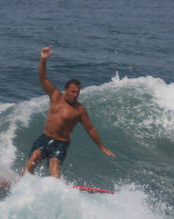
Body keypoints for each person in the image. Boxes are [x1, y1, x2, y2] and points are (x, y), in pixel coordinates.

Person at [23, 46, 115, 178]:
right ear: (66, 90)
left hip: (61, 143)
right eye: (73, 92)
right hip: (45, 137)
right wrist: (43, 59)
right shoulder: (55, 96)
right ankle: (24, 183)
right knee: (33, 159)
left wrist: (102, 147)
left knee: (54, 165)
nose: (76, 94)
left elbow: (90, 129)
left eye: (78, 92)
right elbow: (43, 78)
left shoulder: (80, 110)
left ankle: (55, 188)